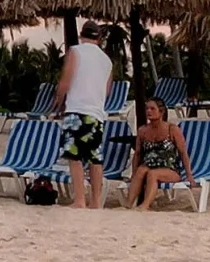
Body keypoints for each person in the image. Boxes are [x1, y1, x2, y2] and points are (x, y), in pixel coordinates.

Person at [53, 21, 116, 209]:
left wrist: (58, 101)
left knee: (75, 156)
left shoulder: (76, 51)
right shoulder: (107, 60)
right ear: (99, 38)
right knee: (95, 158)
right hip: (96, 113)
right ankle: (96, 201)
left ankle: (80, 199)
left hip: (77, 109)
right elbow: (107, 90)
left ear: (82, 35)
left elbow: (66, 79)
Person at [128, 97, 193, 211]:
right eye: (147, 109)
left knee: (153, 174)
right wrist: (133, 174)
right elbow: (137, 154)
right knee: (141, 170)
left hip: (170, 169)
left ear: (161, 111)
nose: (148, 111)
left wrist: (189, 175)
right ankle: (128, 204)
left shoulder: (172, 129)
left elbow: (183, 153)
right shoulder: (142, 130)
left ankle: (145, 205)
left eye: (152, 109)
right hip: (148, 166)